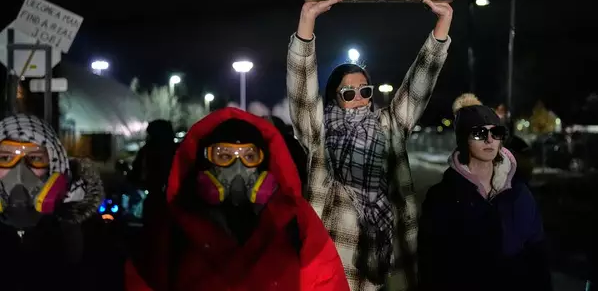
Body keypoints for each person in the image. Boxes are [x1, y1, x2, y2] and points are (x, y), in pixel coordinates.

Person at [287, 0, 453, 290]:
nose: (359, 98)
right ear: (335, 97)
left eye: (364, 90)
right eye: (348, 93)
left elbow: (419, 84)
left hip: (386, 264)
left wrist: (442, 27)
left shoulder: (389, 125)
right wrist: (307, 23)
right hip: (334, 264)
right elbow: (302, 90)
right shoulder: (319, 132)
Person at [125, 107, 349, 291]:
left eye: (249, 157)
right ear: (205, 162)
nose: (237, 168)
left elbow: (326, 281)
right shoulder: (174, 224)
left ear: (265, 163)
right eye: (223, 156)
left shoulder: (295, 221)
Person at [418, 94, 552, 291]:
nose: (489, 139)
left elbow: (538, 257)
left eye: (495, 132)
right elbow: (431, 266)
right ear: (463, 138)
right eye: (480, 133)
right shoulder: (442, 197)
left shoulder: (519, 193)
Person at [0, 114, 106, 291]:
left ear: (55, 165)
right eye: (5, 159)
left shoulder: (87, 230)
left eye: (35, 158)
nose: (19, 173)